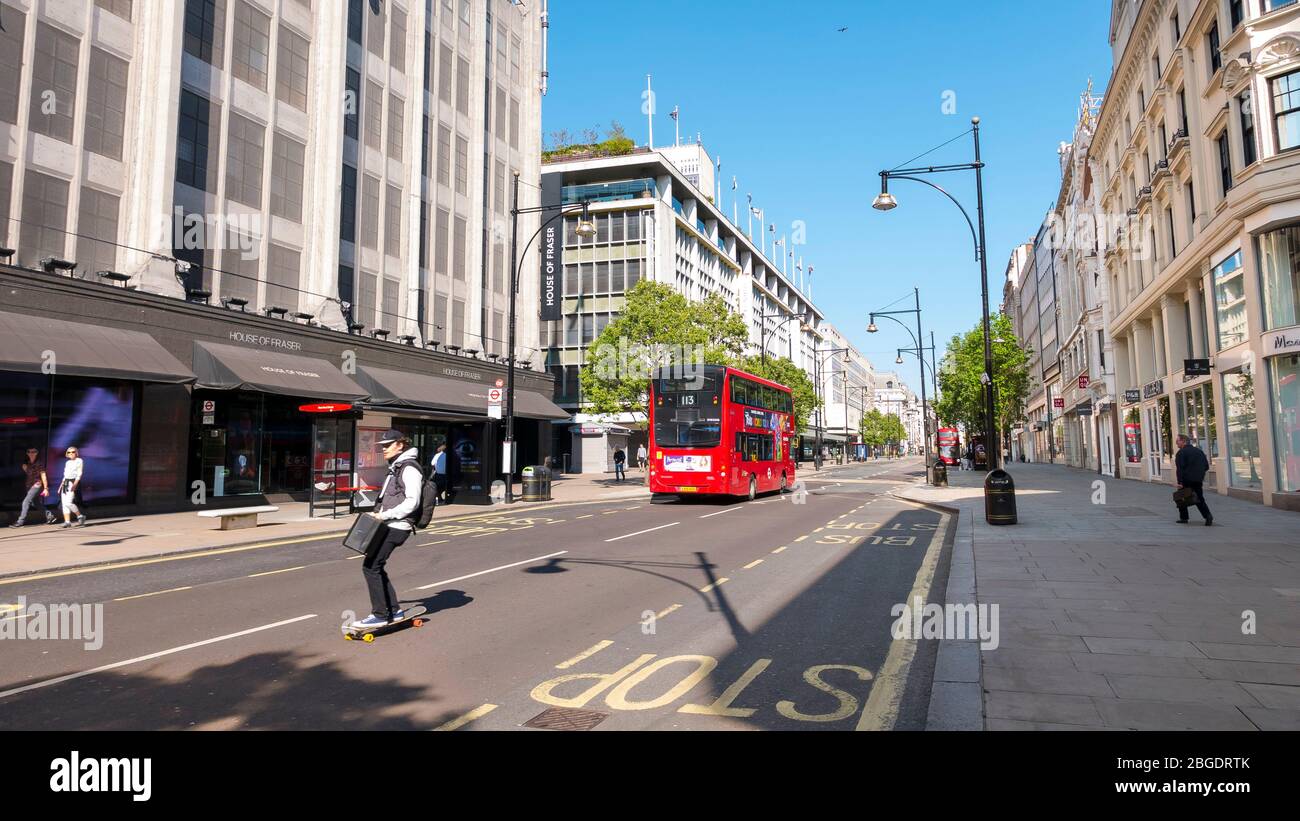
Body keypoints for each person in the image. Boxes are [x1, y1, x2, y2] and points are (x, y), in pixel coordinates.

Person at [352, 430, 423, 629]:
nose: (383, 449)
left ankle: (381, 614)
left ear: (400, 445)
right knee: (375, 565)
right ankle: (393, 610)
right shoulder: (397, 466)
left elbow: (412, 502)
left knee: (371, 566)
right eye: (382, 446)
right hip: (388, 524)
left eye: (387, 445)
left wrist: (384, 515)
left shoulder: (409, 468)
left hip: (397, 525)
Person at [1174, 433, 1213, 526]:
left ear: (1184, 441)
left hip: (1186, 480)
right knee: (1199, 498)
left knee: (1181, 498)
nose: (1176, 443)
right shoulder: (1199, 451)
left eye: (1177, 441)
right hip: (1198, 480)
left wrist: (1180, 482)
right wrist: (1199, 474)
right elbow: (1206, 466)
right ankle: (1207, 516)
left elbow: (1180, 469)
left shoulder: (1181, 453)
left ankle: (1184, 518)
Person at [11, 447, 56, 527]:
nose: (31, 453)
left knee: (26, 501)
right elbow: (29, 475)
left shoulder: (39, 463)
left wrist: (46, 488)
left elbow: (43, 475)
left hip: (37, 484)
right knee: (35, 503)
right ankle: (50, 516)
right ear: (27, 453)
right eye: (29, 452)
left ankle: (20, 521)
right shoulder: (26, 464)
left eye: (34, 452)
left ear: (37, 453)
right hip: (29, 485)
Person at [58, 446, 86, 528]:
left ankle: (80, 516)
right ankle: (67, 522)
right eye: (69, 452)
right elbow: (65, 475)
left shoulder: (79, 460)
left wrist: (75, 484)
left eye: (73, 452)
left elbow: (79, 474)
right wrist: (61, 485)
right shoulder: (67, 462)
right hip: (65, 483)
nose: (71, 453)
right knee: (64, 503)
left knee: (69, 502)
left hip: (73, 482)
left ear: (76, 453)